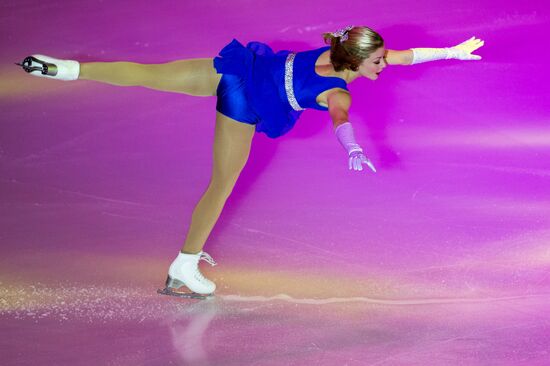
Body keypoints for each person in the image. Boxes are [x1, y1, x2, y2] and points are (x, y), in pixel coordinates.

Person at [17, 26, 484, 298]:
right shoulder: (338, 91)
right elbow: (341, 119)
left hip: (234, 68)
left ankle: (69, 68)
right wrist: (353, 147)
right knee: (221, 184)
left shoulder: (337, 52)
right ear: (358, 62)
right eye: (379, 61)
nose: (386, 65)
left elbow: (404, 56)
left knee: (148, 74)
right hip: (241, 104)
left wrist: (451, 51)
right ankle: (183, 265)